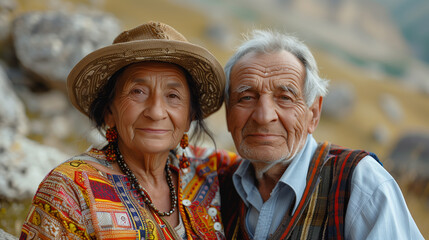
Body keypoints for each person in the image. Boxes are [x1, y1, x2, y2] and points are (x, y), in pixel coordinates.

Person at [20, 22, 238, 239]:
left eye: (173, 96)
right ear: (109, 112)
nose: (156, 112)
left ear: (190, 116)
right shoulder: (70, 189)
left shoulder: (212, 171)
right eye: (138, 91)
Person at [219, 29, 424, 239]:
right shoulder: (219, 186)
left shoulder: (360, 184)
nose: (263, 116)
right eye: (246, 97)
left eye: (285, 98)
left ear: (313, 114)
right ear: (228, 112)